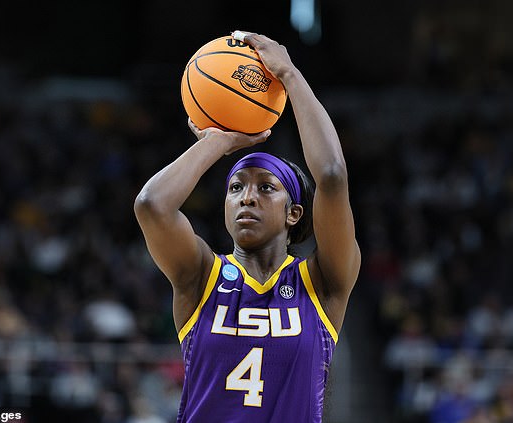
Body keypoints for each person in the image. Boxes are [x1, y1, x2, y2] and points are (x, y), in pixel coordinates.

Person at [134, 30, 361, 423]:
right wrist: (217, 142)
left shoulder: (322, 283)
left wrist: (289, 74)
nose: (247, 197)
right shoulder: (201, 275)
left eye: (266, 188)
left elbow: (332, 174)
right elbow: (152, 205)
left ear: (294, 213)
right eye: (236, 188)